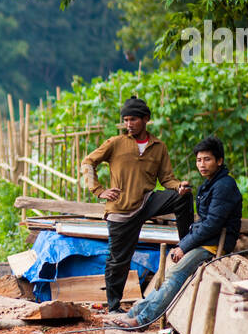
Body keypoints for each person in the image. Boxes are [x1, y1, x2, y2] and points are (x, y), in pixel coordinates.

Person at [112, 136, 242, 328]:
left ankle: (142, 321)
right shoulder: (210, 184)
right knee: (169, 274)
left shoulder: (224, 185)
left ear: (219, 161)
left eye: (207, 159)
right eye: (199, 160)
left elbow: (212, 224)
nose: (202, 164)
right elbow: (203, 223)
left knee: (177, 274)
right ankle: (134, 313)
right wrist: (184, 244)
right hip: (205, 241)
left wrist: (184, 246)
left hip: (214, 245)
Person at [80, 96, 193, 313]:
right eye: (126, 120)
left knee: (183, 196)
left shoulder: (159, 147)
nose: (128, 124)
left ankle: (185, 243)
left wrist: (179, 186)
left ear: (146, 119)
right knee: (118, 260)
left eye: (133, 119)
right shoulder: (116, 143)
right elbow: (88, 162)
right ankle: (113, 307)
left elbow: (167, 179)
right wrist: (99, 190)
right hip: (121, 210)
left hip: (148, 201)